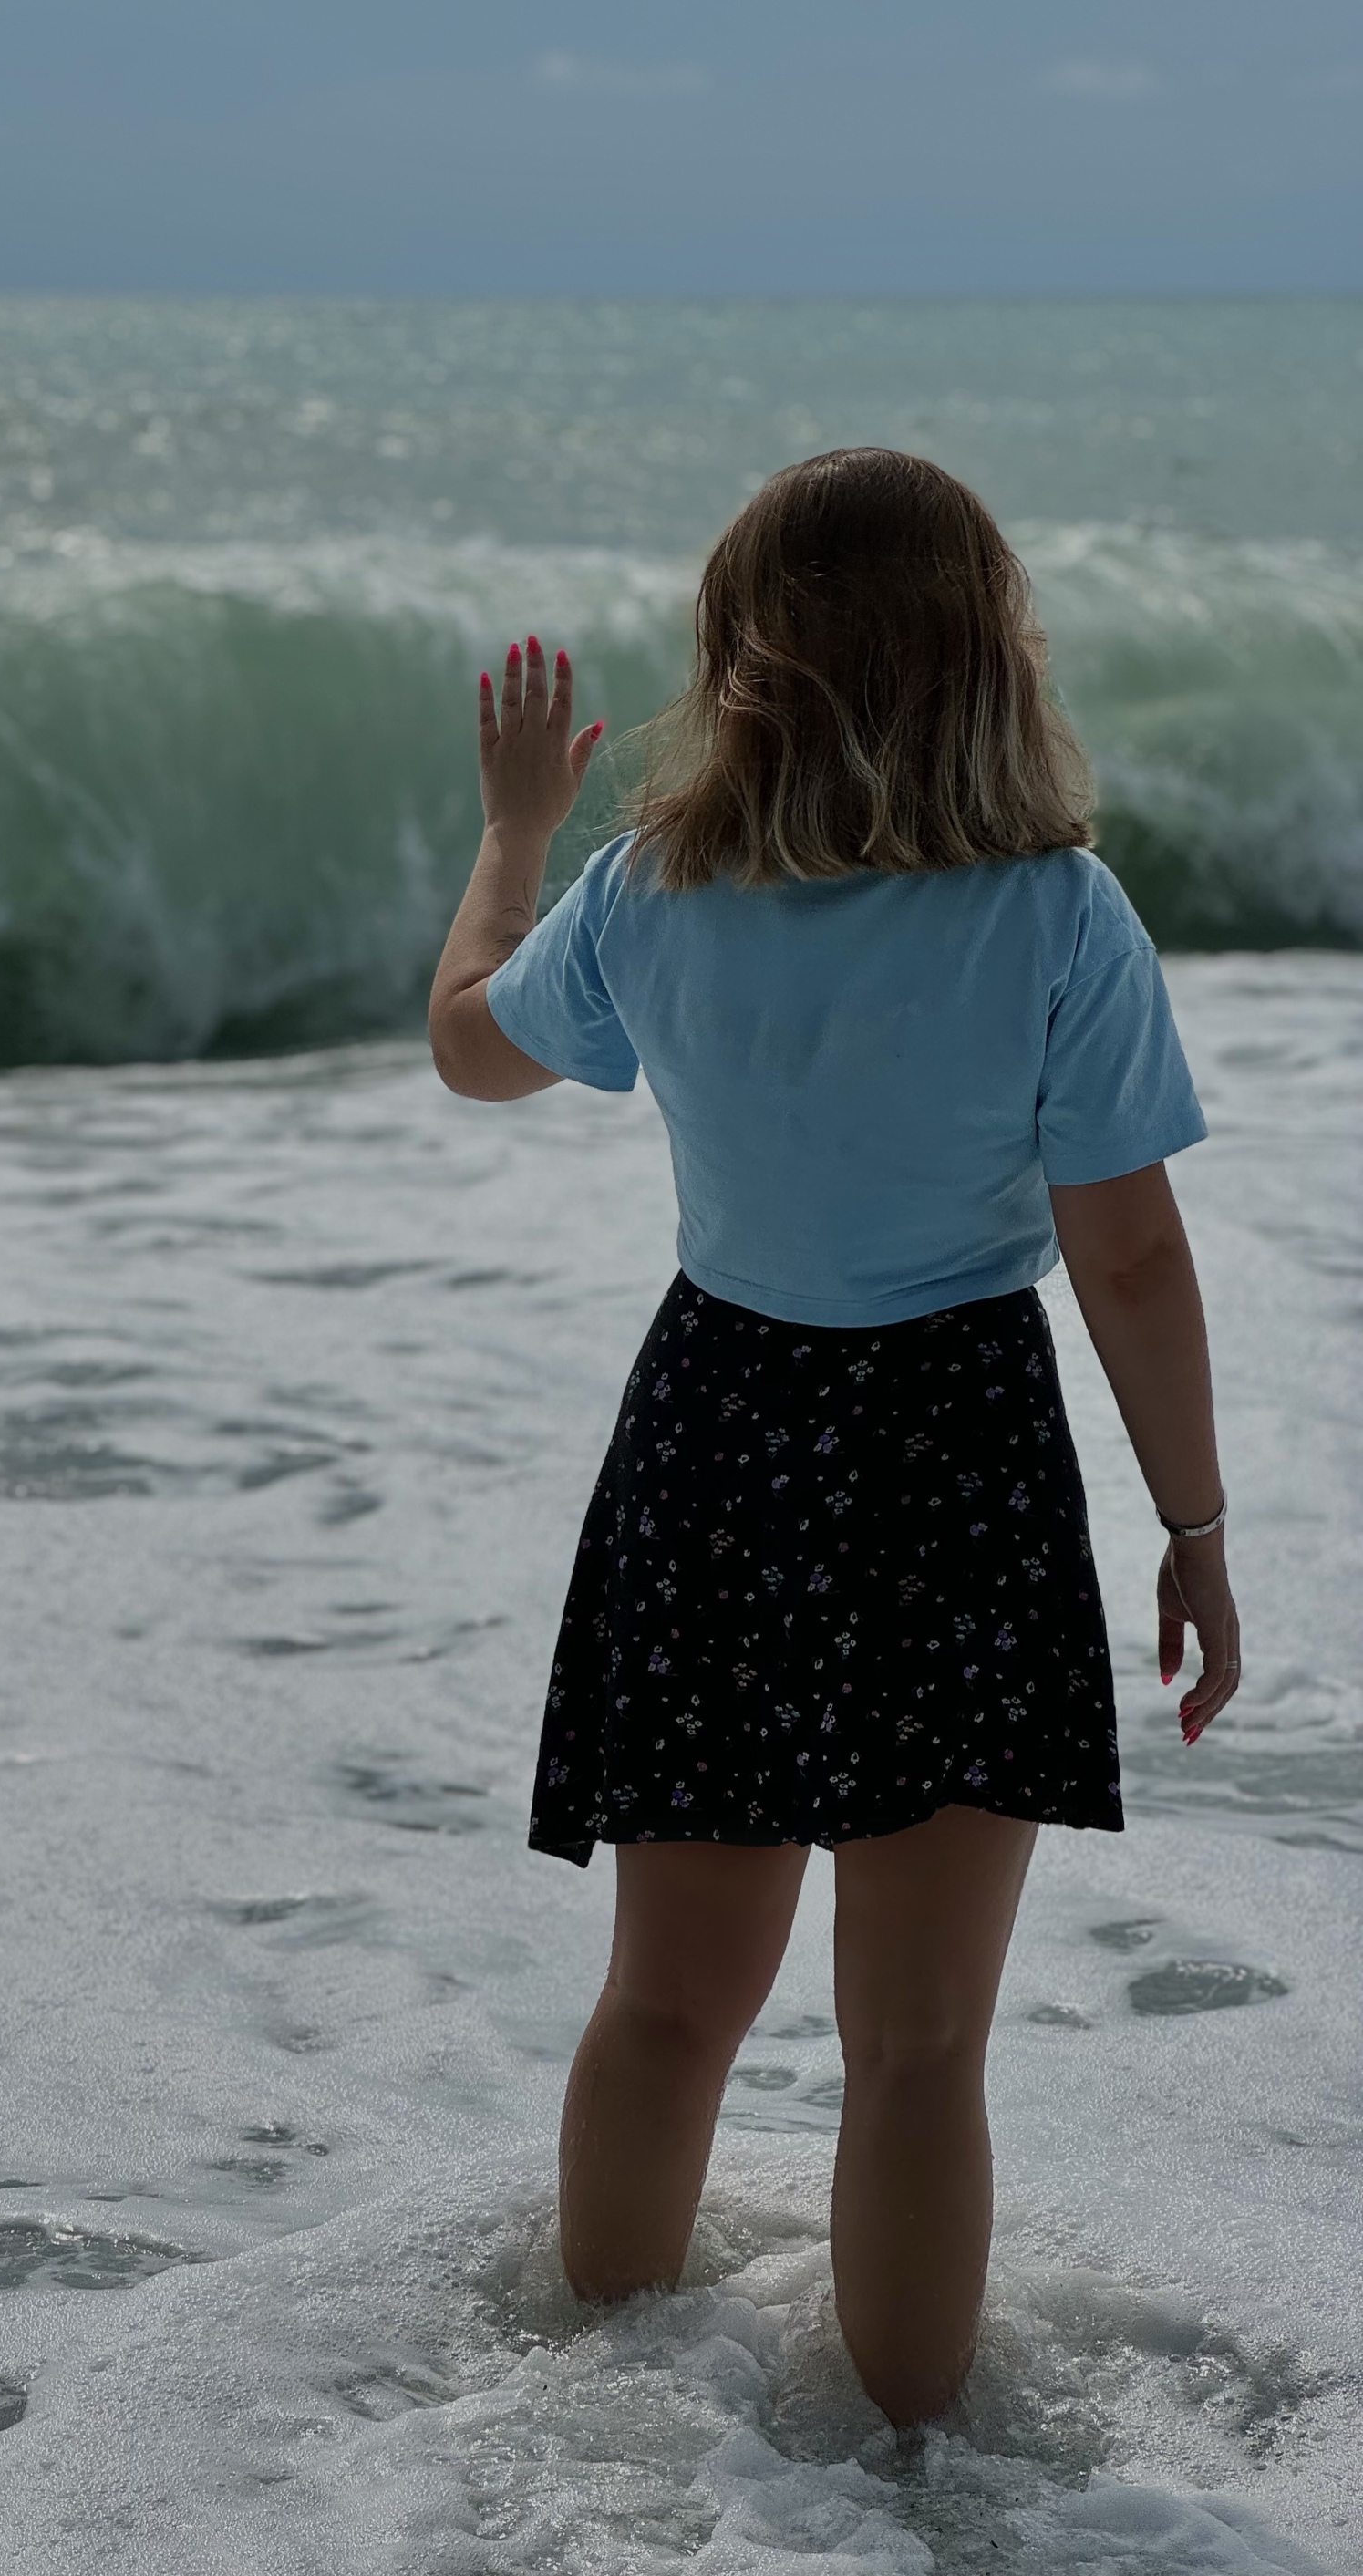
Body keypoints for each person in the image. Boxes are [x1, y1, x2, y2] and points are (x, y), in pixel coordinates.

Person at [425, 449, 1241, 2428]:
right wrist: (1196, 1526)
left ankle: (594, 2425)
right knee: (918, 2047)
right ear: (989, 657)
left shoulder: (653, 886)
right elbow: (1129, 1256)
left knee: (666, 2004)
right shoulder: (1055, 914)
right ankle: (917, 2479)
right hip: (954, 1455)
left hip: (719, 1437)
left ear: (741, 658)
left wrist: (515, 834)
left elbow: (468, 1043)